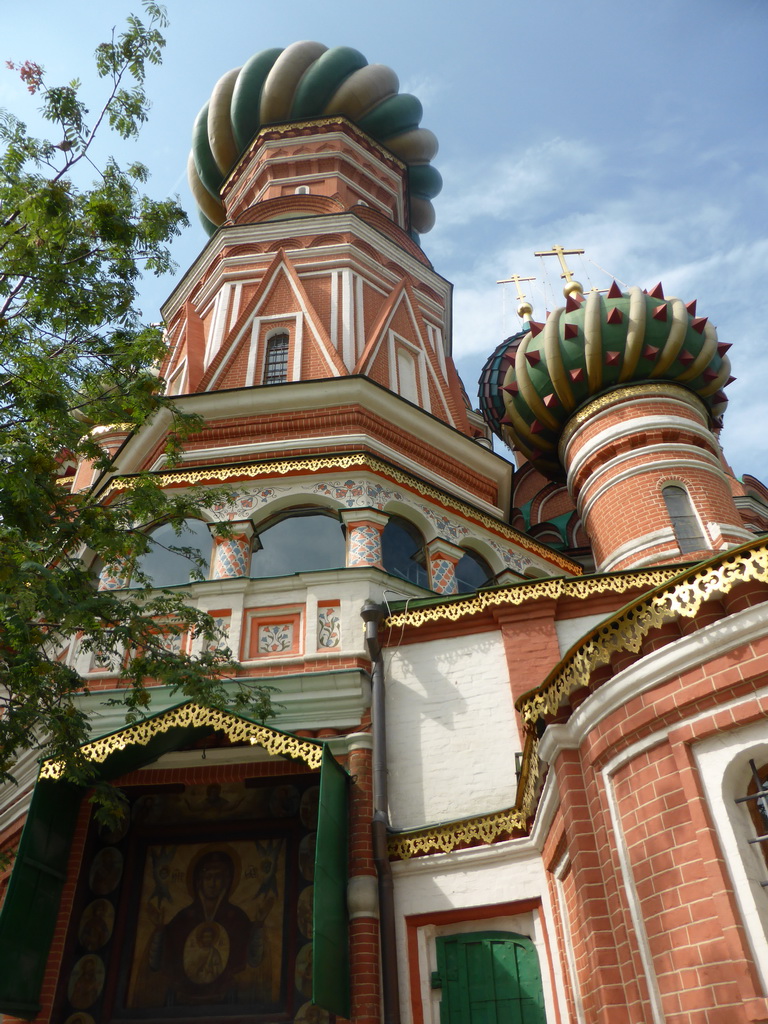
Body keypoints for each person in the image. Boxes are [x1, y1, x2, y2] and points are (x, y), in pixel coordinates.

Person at [148, 848, 253, 1004]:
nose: (212, 883)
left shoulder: (237, 918)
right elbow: (156, 963)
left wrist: (257, 928)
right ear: (199, 881)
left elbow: (253, 960)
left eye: (218, 877)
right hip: (182, 998)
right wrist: (159, 931)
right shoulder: (182, 919)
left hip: (225, 998)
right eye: (208, 877)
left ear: (227, 881)